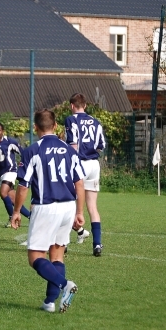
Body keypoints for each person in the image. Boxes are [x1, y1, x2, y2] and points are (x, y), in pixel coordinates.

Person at [11, 109, 85, 313]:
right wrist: (80, 212)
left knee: (35, 256)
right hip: (68, 207)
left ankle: (64, 284)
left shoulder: (32, 150)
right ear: (56, 126)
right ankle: (50, 302)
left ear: (35, 127)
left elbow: (23, 186)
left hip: (46, 207)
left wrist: (17, 211)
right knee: (57, 255)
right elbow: (79, 183)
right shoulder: (69, 150)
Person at [64, 93, 106, 256]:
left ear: (72, 106)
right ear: (85, 106)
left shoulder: (71, 119)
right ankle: (97, 244)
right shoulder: (96, 122)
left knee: (70, 203)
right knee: (92, 207)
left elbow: (73, 145)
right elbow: (101, 146)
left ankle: (64, 243)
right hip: (94, 165)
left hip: (79, 164)